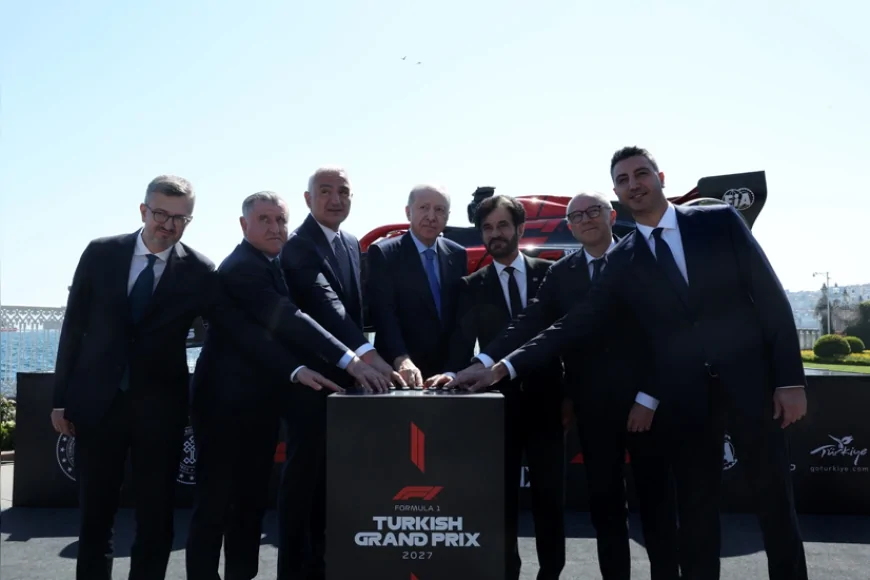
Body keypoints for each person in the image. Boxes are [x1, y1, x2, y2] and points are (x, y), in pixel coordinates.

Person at [449, 146, 809, 580]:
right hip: (687, 402)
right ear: (617, 193)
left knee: (775, 506)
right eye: (623, 180)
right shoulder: (623, 259)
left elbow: (769, 296)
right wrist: (498, 366)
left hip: (750, 386)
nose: (633, 184)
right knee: (696, 515)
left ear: (660, 177)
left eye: (641, 174)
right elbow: (571, 323)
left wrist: (790, 379)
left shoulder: (717, 220)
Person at [49, 176, 310, 580]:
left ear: (189, 220)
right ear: (143, 211)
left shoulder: (201, 270)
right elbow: (74, 327)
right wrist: (59, 399)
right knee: (95, 519)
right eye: (161, 214)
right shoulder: (101, 253)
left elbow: (234, 328)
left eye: (180, 218)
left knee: (156, 520)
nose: (168, 225)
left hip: (161, 413)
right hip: (97, 407)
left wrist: (293, 366)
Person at [450, 191, 679, 579]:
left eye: (593, 211)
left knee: (658, 506)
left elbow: (666, 333)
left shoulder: (644, 258)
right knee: (606, 510)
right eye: (576, 216)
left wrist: (648, 397)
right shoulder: (562, 273)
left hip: (646, 406)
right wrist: (487, 365)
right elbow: (535, 325)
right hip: (593, 411)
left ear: (611, 215)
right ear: (569, 227)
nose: (586, 220)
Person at [185, 191, 390, 580]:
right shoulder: (241, 268)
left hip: (261, 405)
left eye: (280, 220)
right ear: (243, 224)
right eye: (264, 219)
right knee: (214, 506)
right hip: (222, 408)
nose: (275, 227)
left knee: (249, 506)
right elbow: (290, 318)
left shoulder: (274, 263)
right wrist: (352, 360)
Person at [427, 195, 566, 580]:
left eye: (503, 225)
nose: (495, 234)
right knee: (500, 502)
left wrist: (570, 396)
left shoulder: (551, 274)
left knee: (550, 501)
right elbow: (461, 345)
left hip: (548, 405)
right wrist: (451, 373)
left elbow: (565, 337)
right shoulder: (471, 286)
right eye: (487, 228)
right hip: (496, 411)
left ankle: (551, 573)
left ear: (520, 228)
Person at [277, 166, 405, 580]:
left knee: (335, 491)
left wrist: (393, 357)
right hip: (311, 388)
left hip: (349, 389)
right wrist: (368, 356)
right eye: (326, 191)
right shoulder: (297, 246)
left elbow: (357, 310)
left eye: (344, 192)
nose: (336, 199)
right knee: (303, 488)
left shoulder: (350, 242)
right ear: (308, 199)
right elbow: (326, 304)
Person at [365, 184, 467, 385]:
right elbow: (384, 315)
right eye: (424, 208)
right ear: (408, 212)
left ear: (447, 216)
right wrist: (401, 360)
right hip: (401, 374)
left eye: (439, 210)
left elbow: (461, 317)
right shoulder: (384, 254)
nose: (431, 216)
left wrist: (453, 369)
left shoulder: (458, 254)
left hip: (446, 376)